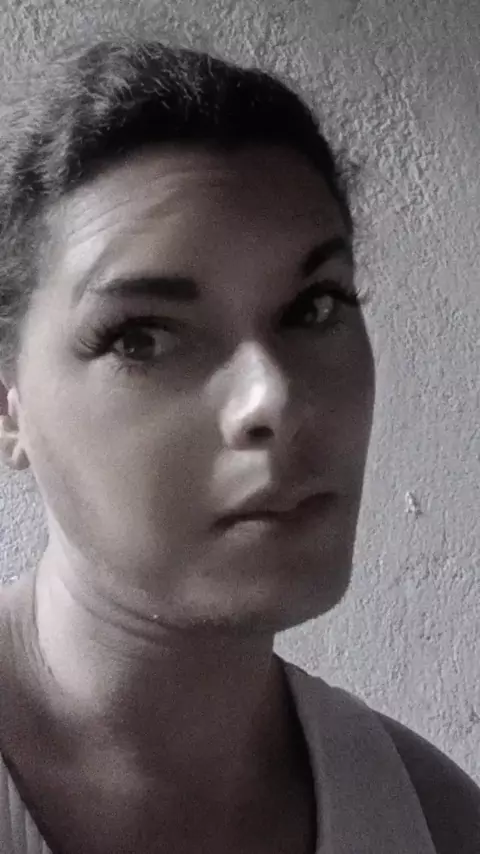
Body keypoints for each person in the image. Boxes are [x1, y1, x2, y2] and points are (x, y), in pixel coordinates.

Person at [0, 37, 478, 854]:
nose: (274, 397)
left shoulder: (435, 821)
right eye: (143, 337)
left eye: (314, 307)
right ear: (9, 408)